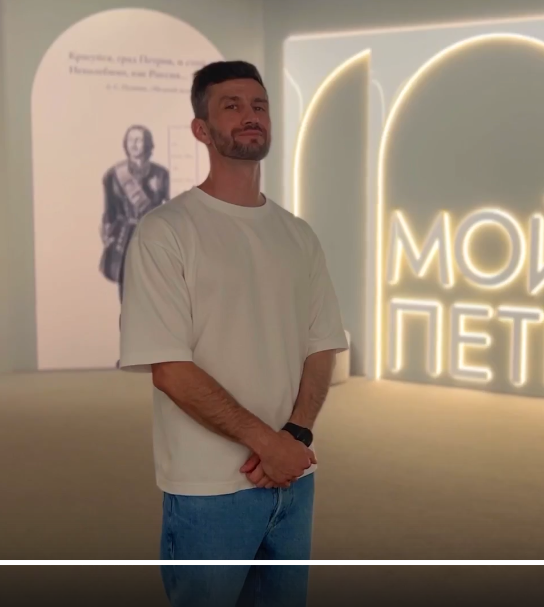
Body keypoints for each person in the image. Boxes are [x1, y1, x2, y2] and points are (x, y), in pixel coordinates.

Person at [118, 61, 348, 607]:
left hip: (293, 479)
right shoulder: (166, 232)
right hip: (209, 491)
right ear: (201, 129)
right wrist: (269, 445)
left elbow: (322, 346)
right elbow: (170, 369)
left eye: (259, 105)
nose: (251, 116)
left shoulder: (298, 235)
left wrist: (295, 436)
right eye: (232, 105)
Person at [99, 124, 170, 301]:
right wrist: (108, 236)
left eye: (139, 140)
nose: (134, 144)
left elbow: (173, 210)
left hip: (153, 237)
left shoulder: (162, 174)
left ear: (148, 144)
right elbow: (109, 212)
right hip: (125, 239)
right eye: (131, 140)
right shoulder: (113, 175)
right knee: (127, 292)